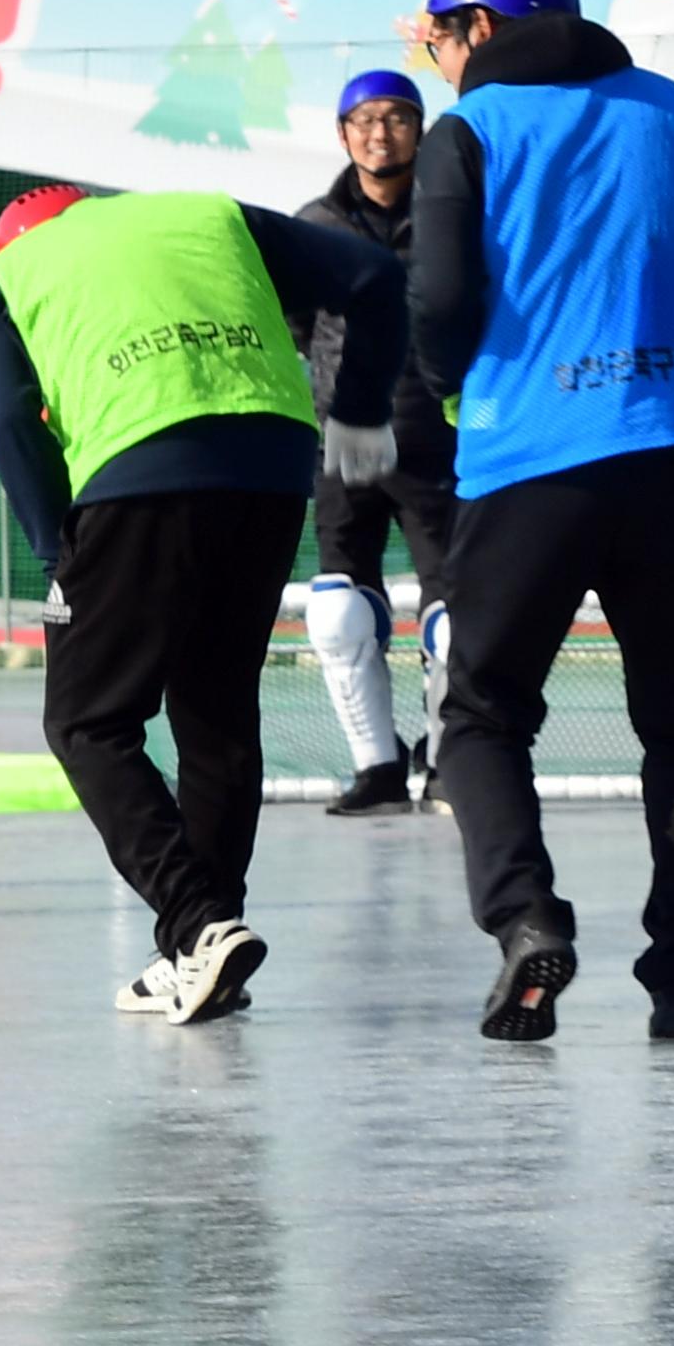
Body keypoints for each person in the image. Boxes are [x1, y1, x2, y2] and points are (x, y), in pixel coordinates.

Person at [404, 0, 674, 1045]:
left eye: (441, 34)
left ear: (483, 29)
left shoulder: (473, 132)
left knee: (484, 713)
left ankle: (527, 917)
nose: (437, 58)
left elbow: (438, 292)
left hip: (530, 454)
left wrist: (448, 383)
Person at [0, 183, 408, 1024]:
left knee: (88, 722)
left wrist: (54, 548)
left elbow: (10, 429)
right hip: (274, 463)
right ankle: (204, 954)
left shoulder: (10, 274)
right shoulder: (206, 215)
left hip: (138, 470)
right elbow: (375, 278)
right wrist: (359, 409)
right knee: (214, 710)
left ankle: (197, 923)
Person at [291, 67, 461, 817]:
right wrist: (338, 391)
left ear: (419, 128)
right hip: (342, 437)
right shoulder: (313, 223)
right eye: (363, 119)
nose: (379, 132)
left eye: (396, 117)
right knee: (336, 608)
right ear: (342, 133)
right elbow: (301, 324)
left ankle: (453, 757)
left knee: (458, 616)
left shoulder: (456, 215)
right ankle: (377, 769)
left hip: (443, 432)